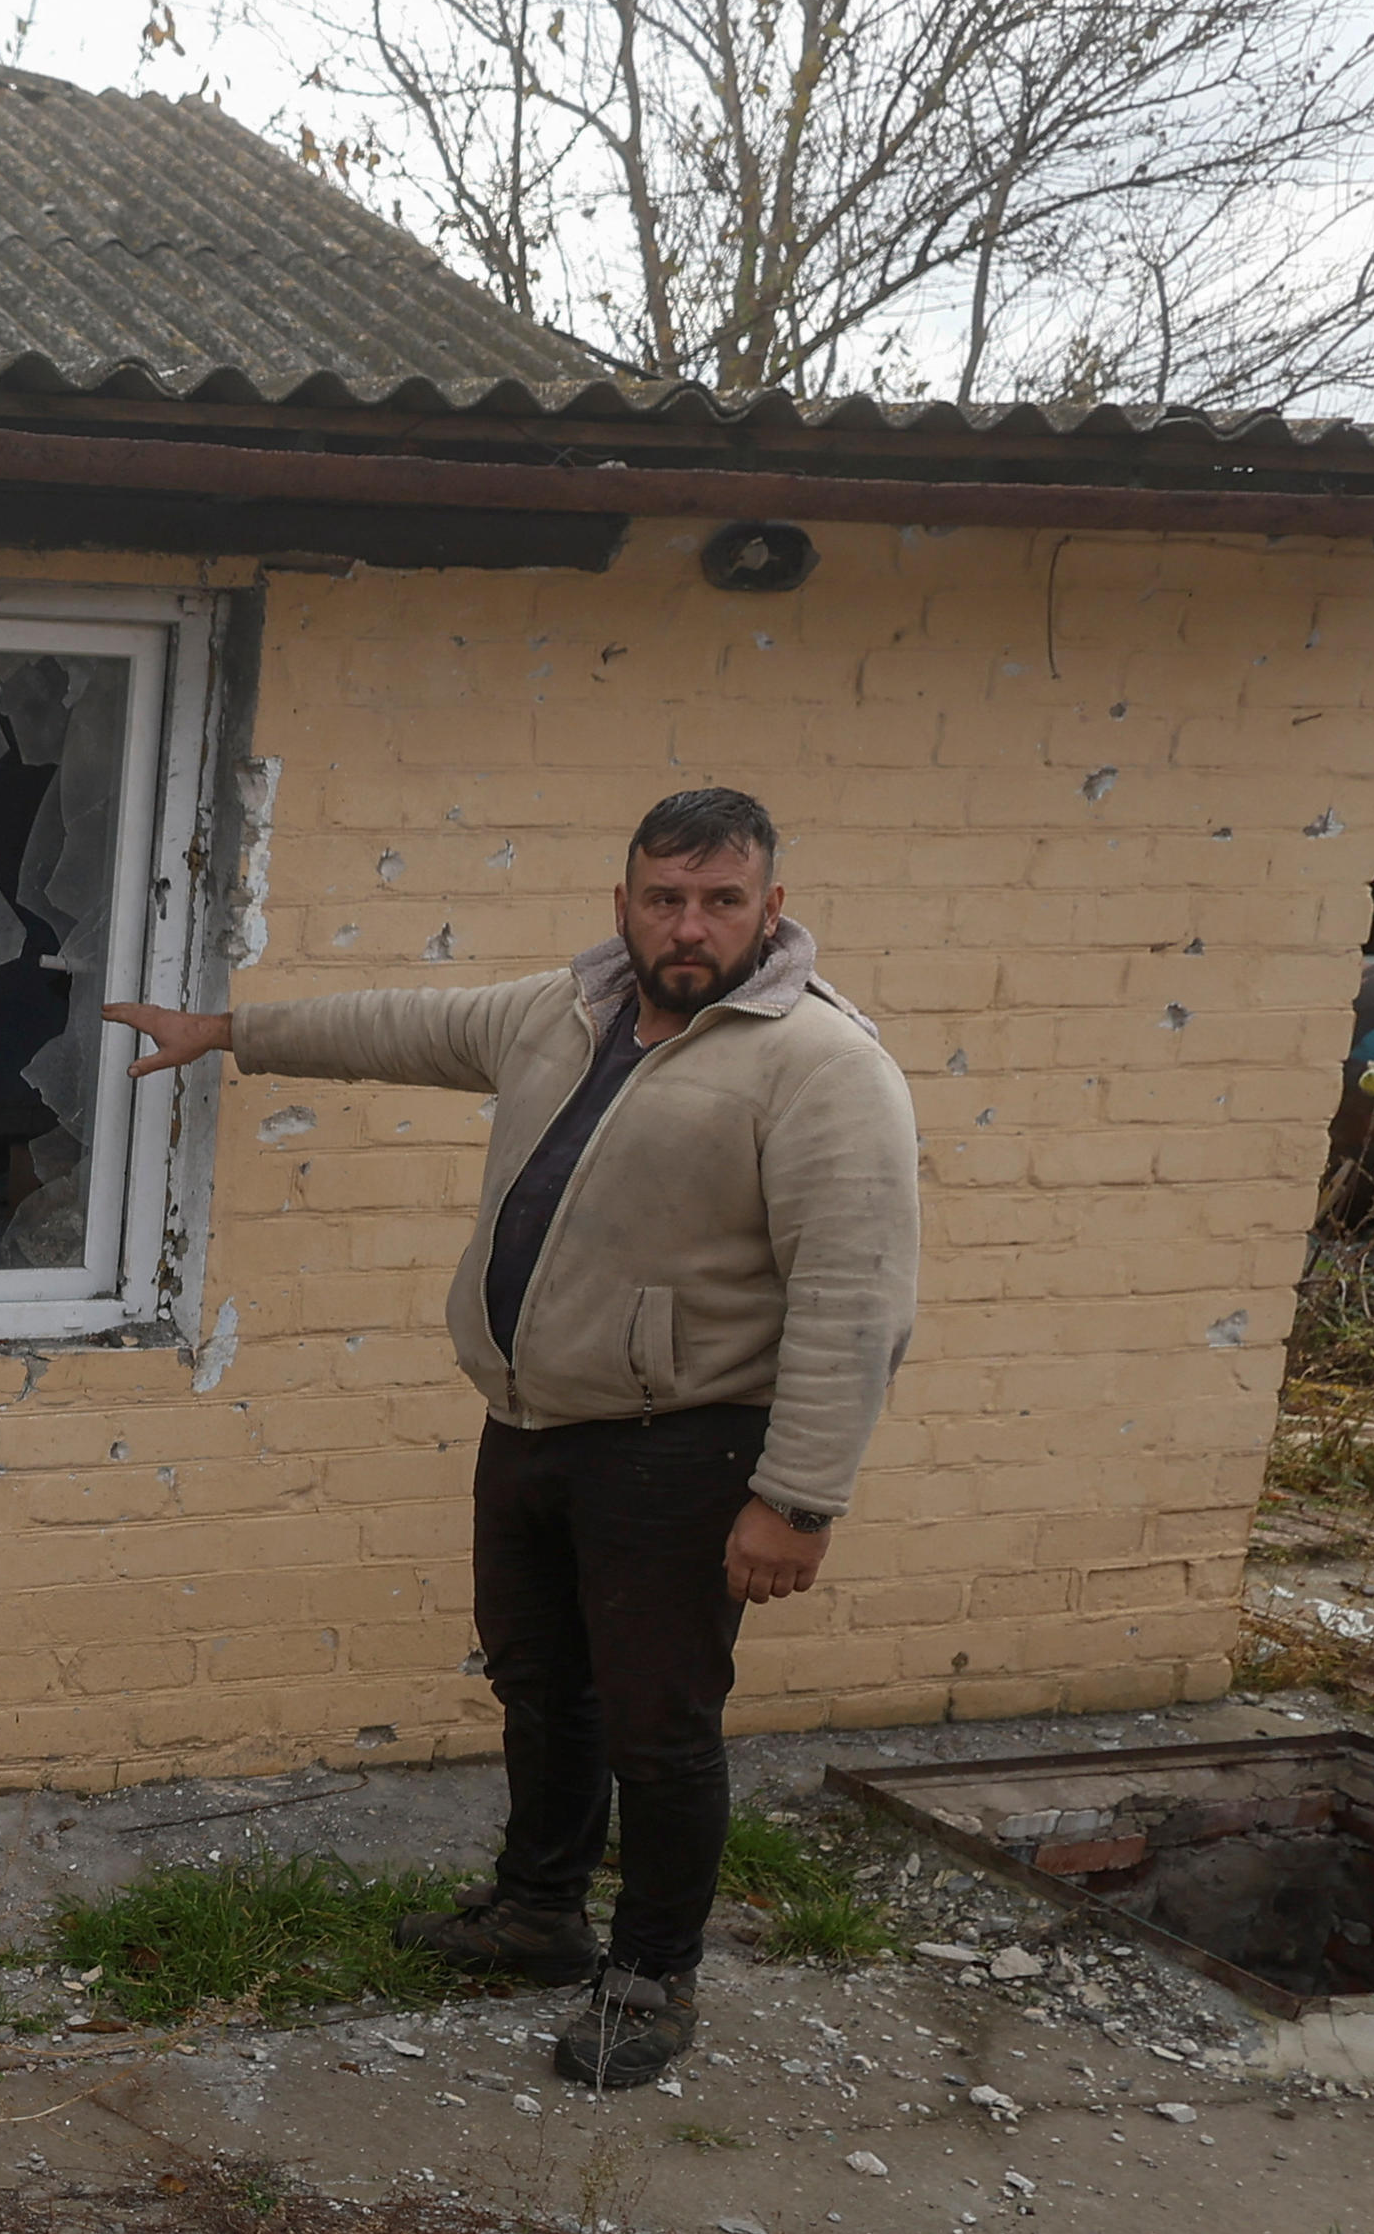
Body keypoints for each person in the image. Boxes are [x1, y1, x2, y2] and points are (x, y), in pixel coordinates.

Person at [103, 788, 922, 2088]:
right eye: (666, 897)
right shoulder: (570, 1008)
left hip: (683, 1445)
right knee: (540, 1682)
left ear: (771, 909)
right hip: (533, 1424)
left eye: (721, 900)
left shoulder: (820, 1067)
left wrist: (799, 1500)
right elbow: (409, 1026)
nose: (690, 924)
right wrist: (231, 1032)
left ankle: (653, 1972)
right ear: (625, 903)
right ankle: (539, 1909)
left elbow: (858, 1297)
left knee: (661, 1720)